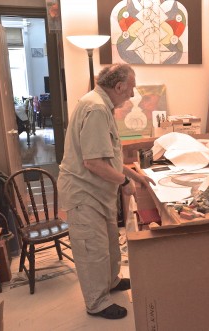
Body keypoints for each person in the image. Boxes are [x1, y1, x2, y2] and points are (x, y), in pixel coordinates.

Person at [58, 63, 154, 320]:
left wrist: (136, 175)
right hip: (84, 193)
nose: (132, 95)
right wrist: (125, 182)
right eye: (131, 89)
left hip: (98, 191)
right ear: (119, 86)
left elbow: (107, 156)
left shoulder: (100, 104)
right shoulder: (97, 109)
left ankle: (111, 281)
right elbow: (93, 163)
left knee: (110, 242)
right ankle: (96, 302)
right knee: (92, 249)